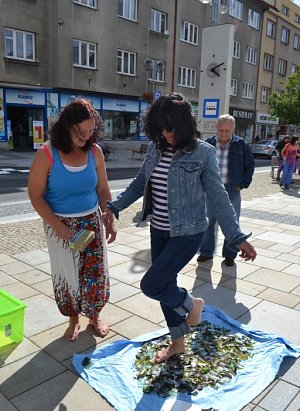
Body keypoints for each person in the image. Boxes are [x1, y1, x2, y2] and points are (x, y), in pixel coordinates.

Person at [102, 93, 256, 363]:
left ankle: (192, 304)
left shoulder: (203, 152)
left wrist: (236, 237)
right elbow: (140, 182)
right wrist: (114, 207)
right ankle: (178, 343)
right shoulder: (155, 147)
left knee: (152, 283)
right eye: (160, 126)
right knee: (165, 285)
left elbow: (219, 198)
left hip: (188, 232)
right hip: (158, 229)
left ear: (184, 124)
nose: (165, 132)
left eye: (170, 126)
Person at [28, 98, 117, 341]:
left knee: (95, 272)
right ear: (67, 126)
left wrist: (109, 218)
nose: (87, 137)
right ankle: (73, 318)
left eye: (91, 131)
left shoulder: (95, 151)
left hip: (91, 222)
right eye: (81, 132)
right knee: (68, 275)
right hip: (60, 225)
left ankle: (95, 315)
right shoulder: (47, 153)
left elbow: (102, 189)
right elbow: (35, 196)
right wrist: (57, 226)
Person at [197, 114, 255, 267]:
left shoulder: (241, 144)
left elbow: (249, 166)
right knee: (208, 222)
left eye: (227, 131)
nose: (223, 134)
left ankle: (230, 254)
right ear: (216, 128)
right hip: (210, 190)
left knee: (231, 223)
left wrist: (241, 185)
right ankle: (206, 252)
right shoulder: (207, 144)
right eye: (221, 130)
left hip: (232, 190)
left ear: (233, 130)